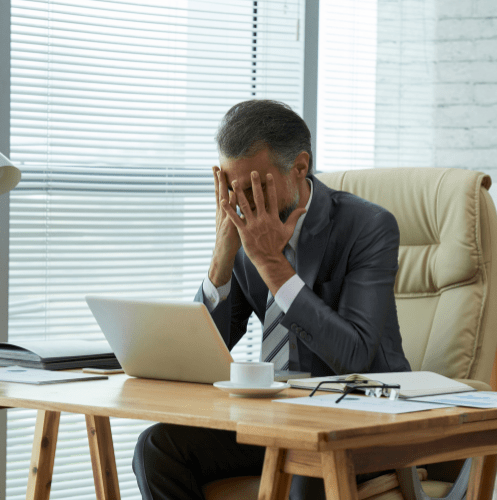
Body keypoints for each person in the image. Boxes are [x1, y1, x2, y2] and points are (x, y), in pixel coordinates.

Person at [133, 99, 411, 500]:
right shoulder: (245, 234)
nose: (241, 203)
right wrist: (221, 258)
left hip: (360, 419)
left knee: (304, 468)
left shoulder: (367, 226)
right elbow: (204, 352)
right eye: (231, 188)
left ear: (299, 167)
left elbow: (354, 356)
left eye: (253, 188)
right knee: (157, 448)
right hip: (276, 418)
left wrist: (270, 262)